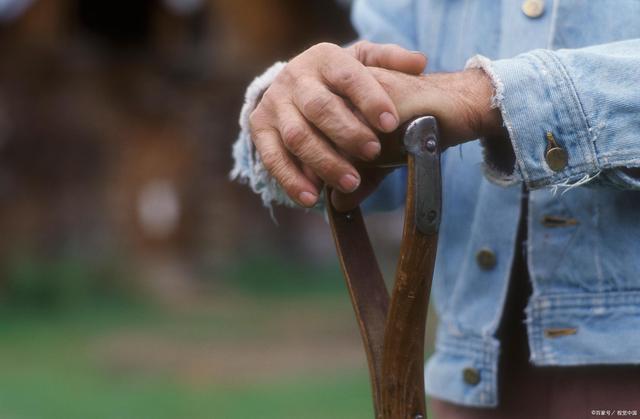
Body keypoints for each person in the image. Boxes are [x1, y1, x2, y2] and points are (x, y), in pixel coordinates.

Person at [231, 0, 640, 417]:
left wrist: (482, 96)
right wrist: (307, 104)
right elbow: (380, 121)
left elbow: (435, 98)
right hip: (467, 389)